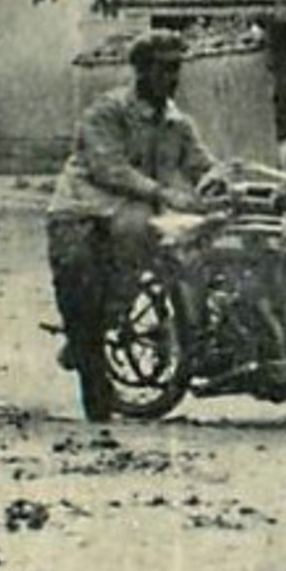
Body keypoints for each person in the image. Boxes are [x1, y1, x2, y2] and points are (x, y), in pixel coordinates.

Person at [46, 29, 217, 422]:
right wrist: (163, 192)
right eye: (163, 69)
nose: (171, 78)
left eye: (177, 69)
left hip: (133, 216)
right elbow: (107, 167)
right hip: (83, 211)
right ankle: (94, 393)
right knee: (81, 294)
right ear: (140, 70)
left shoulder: (177, 122)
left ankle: (183, 331)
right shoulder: (106, 111)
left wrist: (219, 182)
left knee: (184, 240)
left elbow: (201, 164)